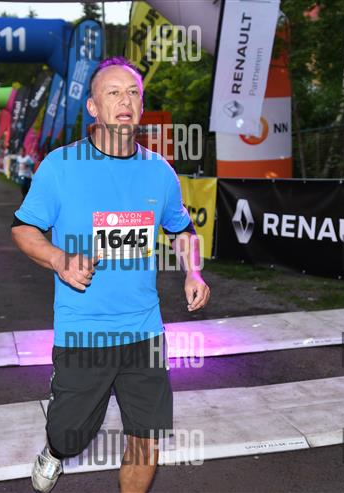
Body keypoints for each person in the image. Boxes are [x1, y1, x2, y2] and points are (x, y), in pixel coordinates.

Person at [11, 56, 210, 493]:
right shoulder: (61, 166)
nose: (126, 100)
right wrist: (59, 259)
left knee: (146, 437)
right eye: (114, 92)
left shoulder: (159, 171)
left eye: (134, 92)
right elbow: (23, 229)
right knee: (70, 435)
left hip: (144, 329)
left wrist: (192, 272)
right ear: (93, 107)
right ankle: (55, 450)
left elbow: (182, 230)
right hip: (84, 330)